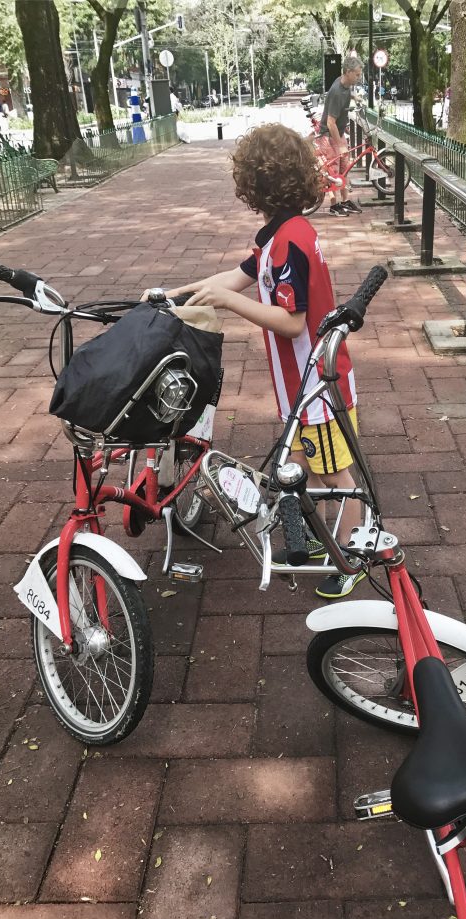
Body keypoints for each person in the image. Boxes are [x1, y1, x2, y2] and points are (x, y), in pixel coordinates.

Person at [141, 124, 366, 599]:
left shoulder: (289, 243)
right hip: (299, 386)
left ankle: (353, 556)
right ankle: (318, 543)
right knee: (301, 466)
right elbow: (240, 274)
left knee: (334, 475)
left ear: (254, 186)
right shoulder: (280, 234)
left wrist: (225, 302)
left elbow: (290, 321)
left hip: (317, 387)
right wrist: (178, 293)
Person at [317, 54, 364, 218]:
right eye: (357, 74)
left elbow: (346, 93)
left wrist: (354, 96)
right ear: (348, 72)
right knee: (334, 171)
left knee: (345, 168)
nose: (359, 78)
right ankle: (334, 205)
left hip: (338, 133)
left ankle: (345, 202)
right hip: (329, 135)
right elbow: (330, 123)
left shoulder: (344, 83)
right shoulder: (337, 91)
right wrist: (341, 144)